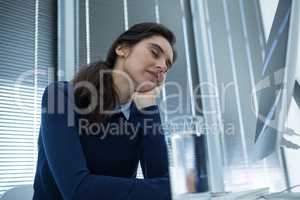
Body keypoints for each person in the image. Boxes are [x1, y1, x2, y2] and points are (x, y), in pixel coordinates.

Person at [33, 22, 177, 200]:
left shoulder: (141, 114)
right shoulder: (60, 96)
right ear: (122, 48)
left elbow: (160, 182)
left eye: (167, 66)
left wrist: (149, 107)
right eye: (155, 53)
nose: (162, 66)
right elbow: (77, 191)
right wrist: (170, 189)